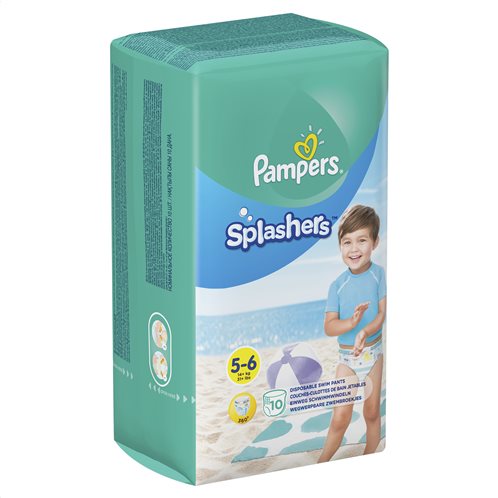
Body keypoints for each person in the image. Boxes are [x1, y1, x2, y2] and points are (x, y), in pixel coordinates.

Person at [318, 205, 386, 462]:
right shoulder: (336, 285)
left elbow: (382, 314)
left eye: (362, 240)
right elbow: (329, 327)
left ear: (375, 242)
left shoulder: (379, 275)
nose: (354, 249)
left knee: (372, 412)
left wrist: (364, 331)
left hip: (373, 354)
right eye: (347, 242)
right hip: (347, 360)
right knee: (340, 417)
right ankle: (322, 461)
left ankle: (370, 456)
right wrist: (351, 323)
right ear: (340, 246)